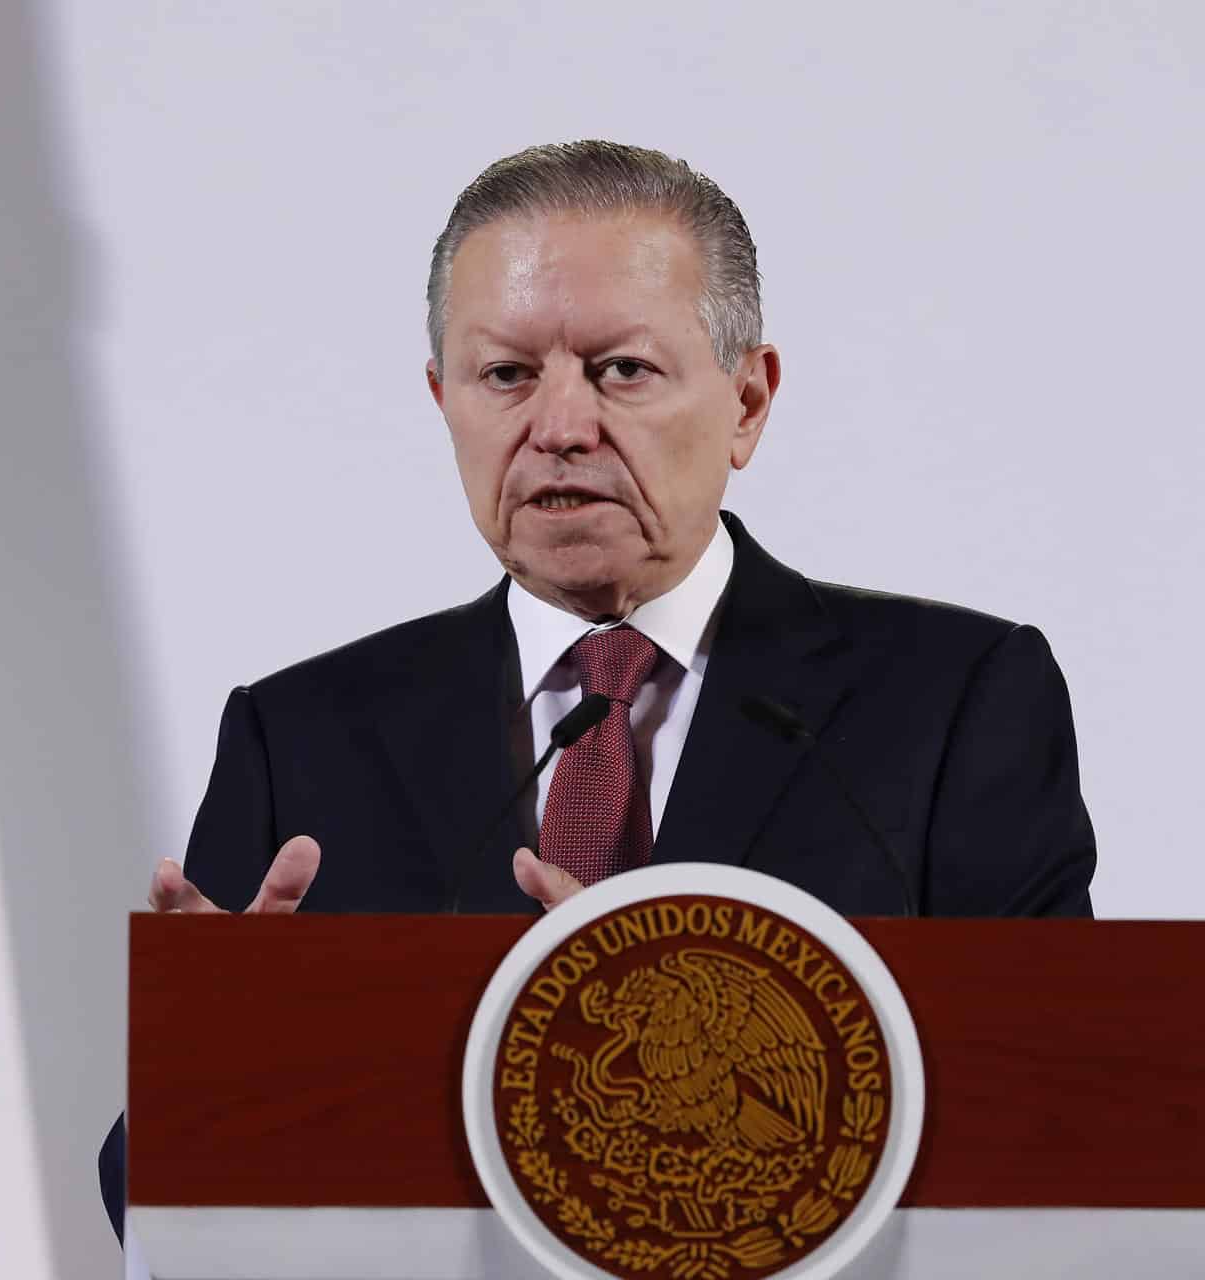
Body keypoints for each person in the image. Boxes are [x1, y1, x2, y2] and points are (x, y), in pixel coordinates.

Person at [102, 140, 1097, 1250]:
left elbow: (1066, 1130)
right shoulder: (307, 732)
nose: (561, 425)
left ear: (749, 401)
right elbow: (145, 1199)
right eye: (506, 374)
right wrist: (210, 1069)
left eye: (622, 369)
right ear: (444, 401)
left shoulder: (952, 700)